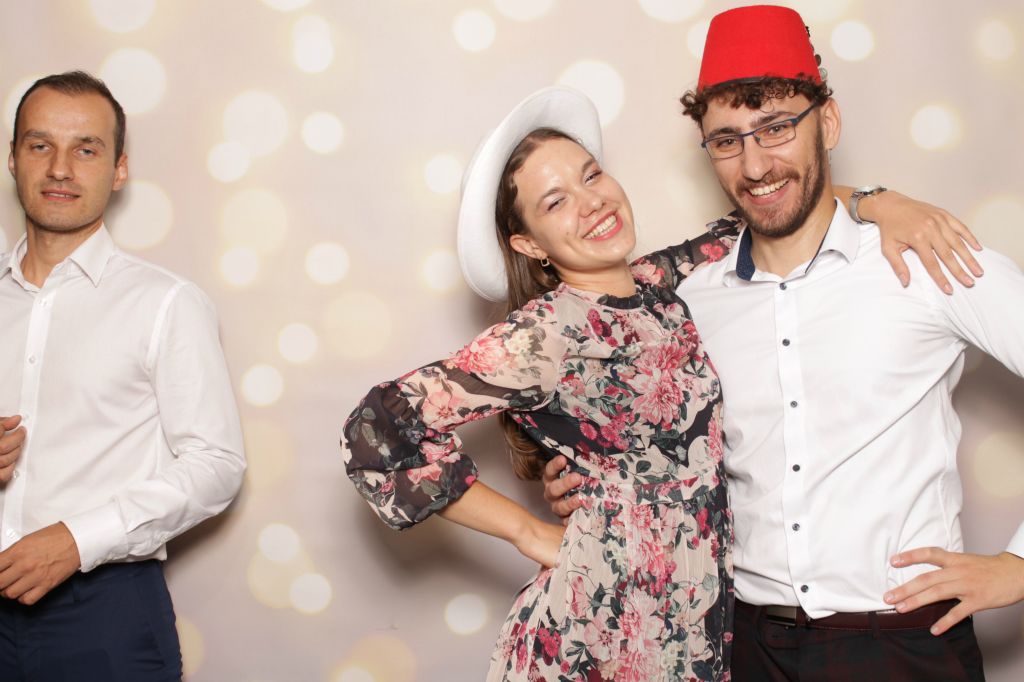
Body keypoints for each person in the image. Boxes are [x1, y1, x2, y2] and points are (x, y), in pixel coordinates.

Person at [343, 84, 974, 680]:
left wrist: (882, 203)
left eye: (591, 175)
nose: (591, 202)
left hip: (695, 624)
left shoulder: (658, 284)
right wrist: (528, 532)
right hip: (604, 626)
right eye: (555, 201)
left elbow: (774, 210)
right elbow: (377, 431)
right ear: (529, 244)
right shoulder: (547, 333)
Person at [543, 6, 1024, 680]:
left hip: (903, 646)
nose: (755, 164)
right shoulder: (692, 303)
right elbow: (667, 451)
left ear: (827, 123)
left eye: (776, 128)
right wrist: (587, 479)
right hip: (745, 646)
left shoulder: (923, 260)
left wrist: (1018, 567)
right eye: (727, 140)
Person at [0, 71, 246, 681]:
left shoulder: (166, 303)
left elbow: (216, 464)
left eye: (85, 149)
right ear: (13, 159)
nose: (60, 168)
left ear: (119, 169)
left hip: (104, 615)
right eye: (40, 145)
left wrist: (77, 539)